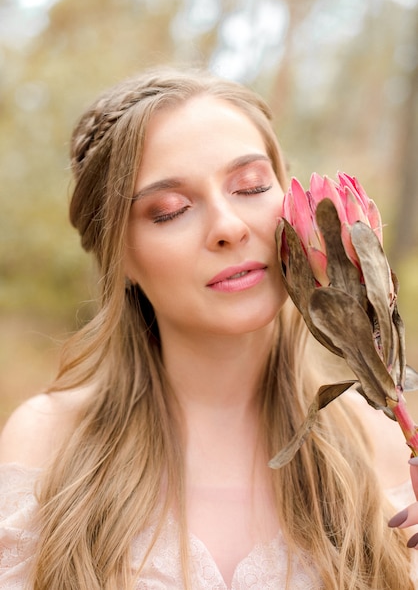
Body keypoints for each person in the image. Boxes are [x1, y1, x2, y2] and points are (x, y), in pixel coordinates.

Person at [0, 66, 417, 590]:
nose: (227, 227)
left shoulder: (385, 440)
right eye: (169, 211)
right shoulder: (48, 444)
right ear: (118, 256)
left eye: (251, 186)